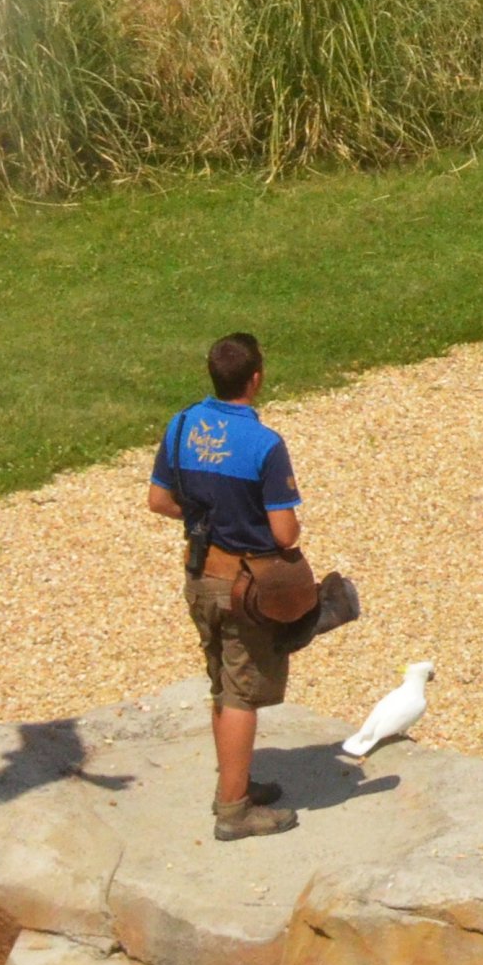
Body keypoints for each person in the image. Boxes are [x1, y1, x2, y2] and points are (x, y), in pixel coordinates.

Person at [147, 332, 305, 841]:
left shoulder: (182, 425)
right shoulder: (264, 443)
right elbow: (284, 532)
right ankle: (233, 812)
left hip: (200, 577)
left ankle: (234, 782)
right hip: (246, 585)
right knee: (241, 695)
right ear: (255, 379)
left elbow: (158, 500)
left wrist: (202, 523)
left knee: (221, 683)